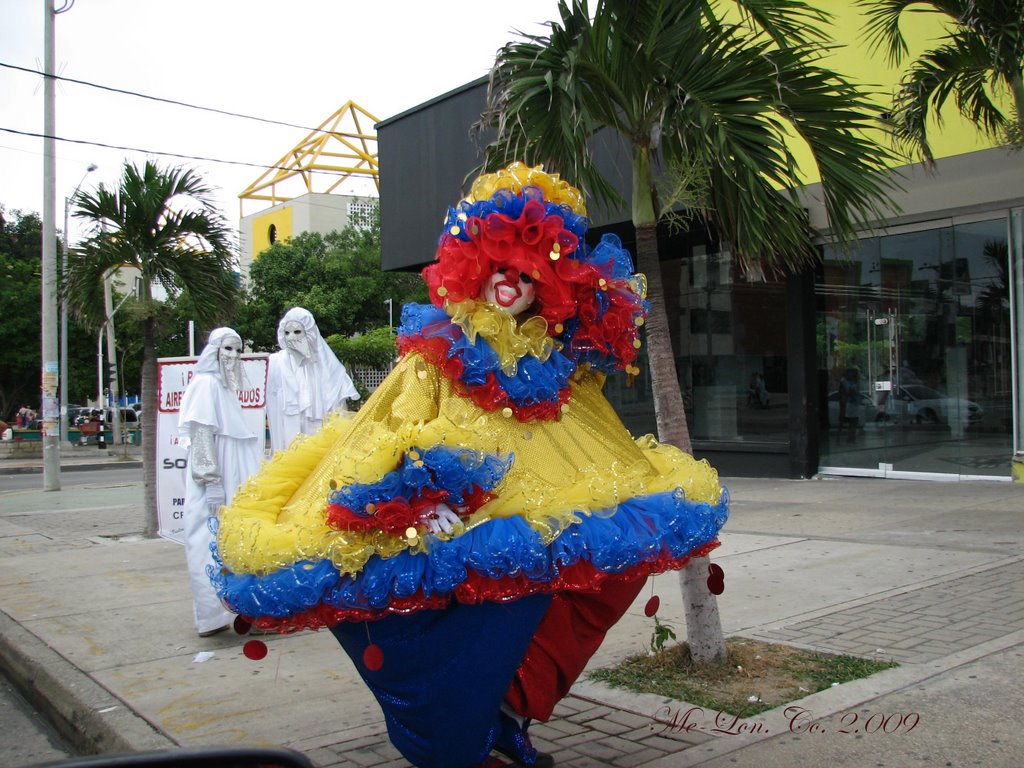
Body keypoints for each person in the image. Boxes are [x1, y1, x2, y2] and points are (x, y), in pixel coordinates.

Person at [213, 164, 728, 768]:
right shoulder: (437, 352)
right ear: (474, 267)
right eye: (498, 267)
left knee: (577, 581)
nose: (509, 283)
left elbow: (594, 443)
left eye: (527, 273)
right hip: (451, 525)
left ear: (549, 285)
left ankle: (507, 708)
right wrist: (414, 488)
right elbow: (389, 425)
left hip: (533, 516)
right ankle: (458, 731)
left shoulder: (553, 366)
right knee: (454, 618)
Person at [178, 328, 263, 637]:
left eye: (238, 350)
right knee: (208, 542)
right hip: (218, 480)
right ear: (214, 351)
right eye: (227, 349)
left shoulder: (221, 388)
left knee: (234, 543)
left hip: (232, 477)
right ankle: (212, 615)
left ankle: (241, 610)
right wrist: (210, 479)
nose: (233, 356)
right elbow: (201, 436)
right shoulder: (205, 385)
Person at [266, 307, 359, 454]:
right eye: (287, 333)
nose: (291, 338)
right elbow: (273, 404)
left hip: (319, 434)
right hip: (290, 434)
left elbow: (338, 407)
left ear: (309, 333)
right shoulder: (277, 363)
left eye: (297, 332)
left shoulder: (327, 367)